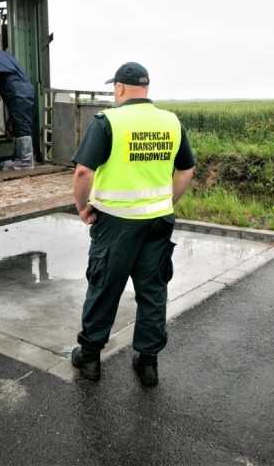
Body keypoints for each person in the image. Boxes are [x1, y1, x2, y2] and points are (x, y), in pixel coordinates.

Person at [70, 62, 196, 385]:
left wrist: (83, 207)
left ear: (121, 88)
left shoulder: (108, 121)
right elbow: (186, 171)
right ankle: (148, 364)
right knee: (153, 291)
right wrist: (166, 201)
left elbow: (83, 172)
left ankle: (90, 360)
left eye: (115, 88)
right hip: (157, 222)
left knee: (104, 286)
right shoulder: (171, 122)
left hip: (115, 223)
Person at [0, 37, 37, 170]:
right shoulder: (3, 55)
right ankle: (20, 158)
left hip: (17, 91)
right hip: (25, 89)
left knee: (21, 124)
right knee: (21, 123)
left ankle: (26, 162)